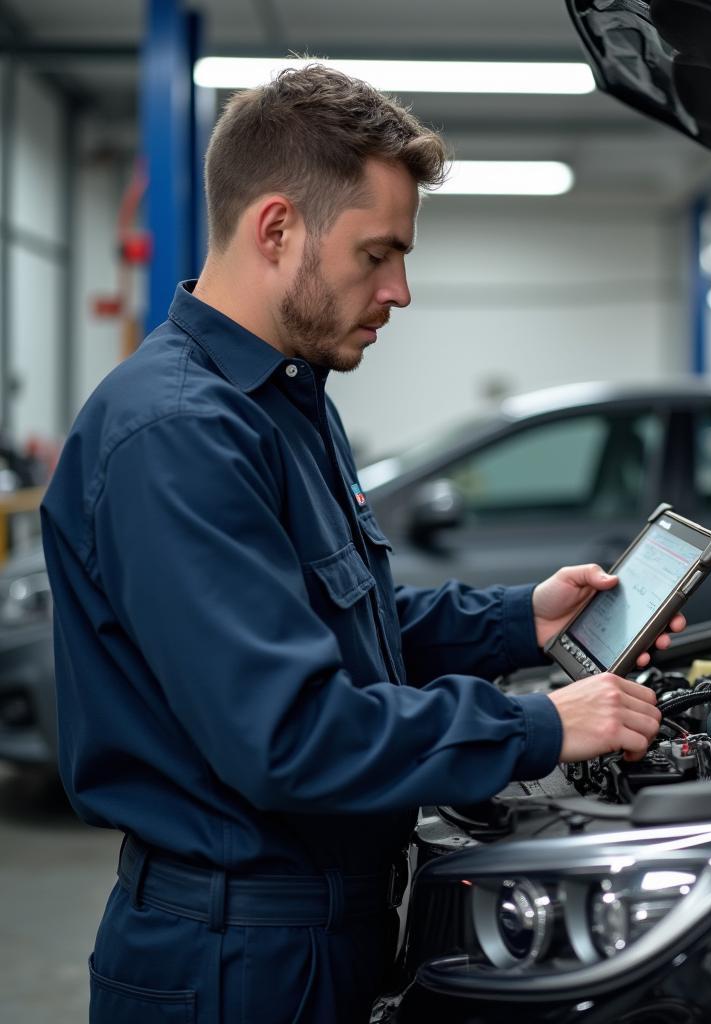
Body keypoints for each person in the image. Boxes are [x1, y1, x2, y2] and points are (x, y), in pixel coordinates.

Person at [40, 65, 678, 1023]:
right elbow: (290, 735)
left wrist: (522, 622)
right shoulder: (178, 435)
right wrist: (542, 726)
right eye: (377, 253)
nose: (401, 290)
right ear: (276, 228)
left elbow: (344, 629)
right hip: (234, 963)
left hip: (311, 933)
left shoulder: (286, 406)